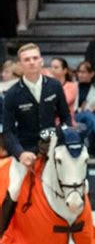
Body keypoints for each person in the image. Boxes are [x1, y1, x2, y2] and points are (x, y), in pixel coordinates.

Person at [1, 43, 71, 233]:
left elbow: (66, 120)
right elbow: (7, 131)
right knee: (14, 189)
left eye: (34, 58)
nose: (31, 62)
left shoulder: (55, 86)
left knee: (76, 182)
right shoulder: (12, 95)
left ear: (41, 61)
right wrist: (20, 153)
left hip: (54, 147)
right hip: (26, 150)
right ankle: (3, 238)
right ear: (20, 64)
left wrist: (51, 137)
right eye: (27, 59)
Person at [74, 61, 95, 152]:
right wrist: (80, 110)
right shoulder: (71, 88)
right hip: (74, 117)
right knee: (86, 113)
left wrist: (94, 111)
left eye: (83, 72)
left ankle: (87, 147)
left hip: (90, 121)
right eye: (79, 72)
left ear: (91, 74)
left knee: (89, 116)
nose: (80, 75)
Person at [49, 57, 78, 124]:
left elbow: (61, 103)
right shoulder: (47, 85)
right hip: (50, 124)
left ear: (65, 70)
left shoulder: (72, 86)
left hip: (65, 124)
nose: (52, 70)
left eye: (56, 67)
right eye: (51, 67)